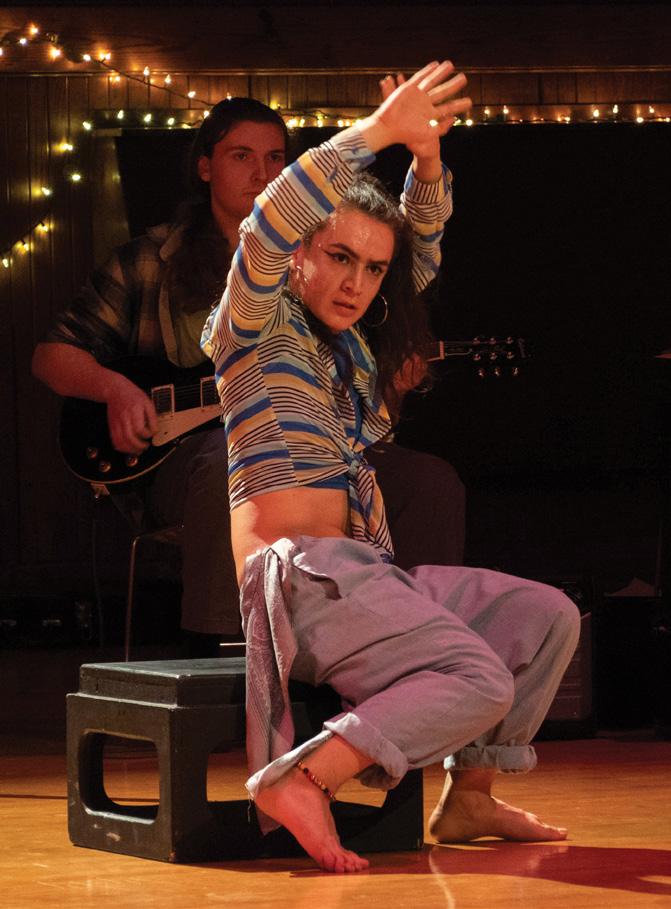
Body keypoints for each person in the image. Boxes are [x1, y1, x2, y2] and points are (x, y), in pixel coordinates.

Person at [202, 60, 581, 873]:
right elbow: (272, 215)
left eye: (370, 269)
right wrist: (379, 133)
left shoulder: (349, 362)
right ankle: (304, 776)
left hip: (364, 577)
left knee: (546, 616)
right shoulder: (251, 327)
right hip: (302, 585)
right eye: (340, 256)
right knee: (481, 678)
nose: (357, 282)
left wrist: (429, 160)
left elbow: (419, 257)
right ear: (296, 256)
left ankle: (470, 796)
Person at [32, 95, 466, 655]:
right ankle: (230, 650)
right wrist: (115, 390)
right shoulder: (177, 265)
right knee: (226, 456)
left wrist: (427, 159)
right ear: (205, 165)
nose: (261, 172)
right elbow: (53, 354)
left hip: (314, 458)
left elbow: (411, 252)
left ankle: (415, 633)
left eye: (275, 158)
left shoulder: (329, 280)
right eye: (242, 156)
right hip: (192, 459)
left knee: (429, 480)